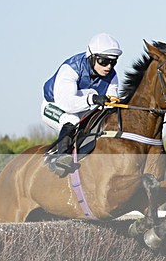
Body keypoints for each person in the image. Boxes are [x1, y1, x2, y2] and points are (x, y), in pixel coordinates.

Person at [41, 33, 122, 174]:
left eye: (113, 62)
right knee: (71, 119)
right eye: (104, 61)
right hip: (54, 106)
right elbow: (66, 104)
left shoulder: (112, 76)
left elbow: (111, 102)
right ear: (92, 57)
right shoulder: (71, 68)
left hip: (82, 110)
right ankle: (61, 158)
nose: (109, 67)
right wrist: (93, 99)